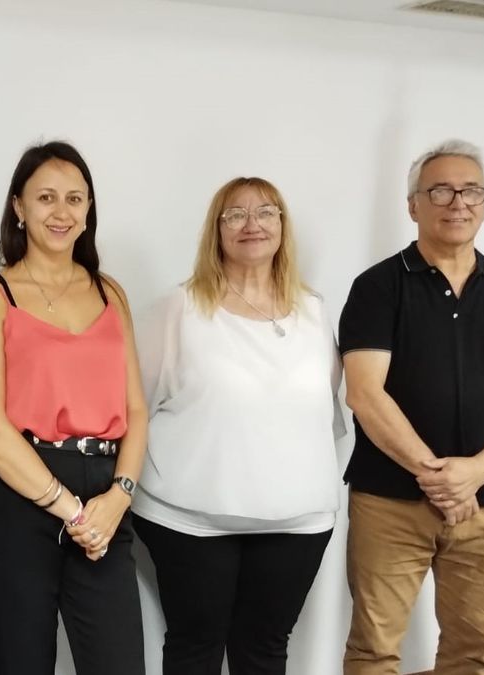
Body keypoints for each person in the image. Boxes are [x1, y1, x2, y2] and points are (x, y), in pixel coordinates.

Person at [339, 139, 484, 674]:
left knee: (472, 654)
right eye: (440, 190)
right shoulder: (377, 287)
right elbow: (365, 393)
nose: (457, 202)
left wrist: (475, 475)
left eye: (471, 191)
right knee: (375, 651)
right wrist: (438, 477)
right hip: (391, 504)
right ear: (413, 205)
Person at [132, 177, 344, 675]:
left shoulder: (314, 311)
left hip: (298, 525)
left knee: (265, 651)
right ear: (216, 230)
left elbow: (325, 413)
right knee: (194, 650)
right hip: (189, 523)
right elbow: (133, 406)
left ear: (282, 226)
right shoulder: (178, 309)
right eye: (235, 215)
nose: (252, 224)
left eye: (266, 212)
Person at [0, 141, 148, 675]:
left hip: (105, 496)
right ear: (18, 206)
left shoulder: (111, 293)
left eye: (74, 198)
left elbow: (136, 409)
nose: (61, 212)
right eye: (45, 197)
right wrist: (70, 508)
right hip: (19, 496)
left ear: (88, 210)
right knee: (22, 662)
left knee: (119, 663)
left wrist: (118, 498)